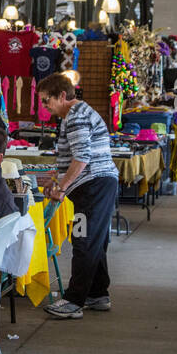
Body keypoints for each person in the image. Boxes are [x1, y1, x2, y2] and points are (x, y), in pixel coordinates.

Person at [37, 72, 119, 320]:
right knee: (95, 241)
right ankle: (97, 293)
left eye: (45, 100)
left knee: (84, 241)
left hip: (92, 187)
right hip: (98, 185)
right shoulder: (79, 113)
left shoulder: (75, 117)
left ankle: (74, 300)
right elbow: (77, 156)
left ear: (62, 95)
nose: (44, 106)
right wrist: (57, 178)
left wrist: (61, 187)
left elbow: (82, 158)